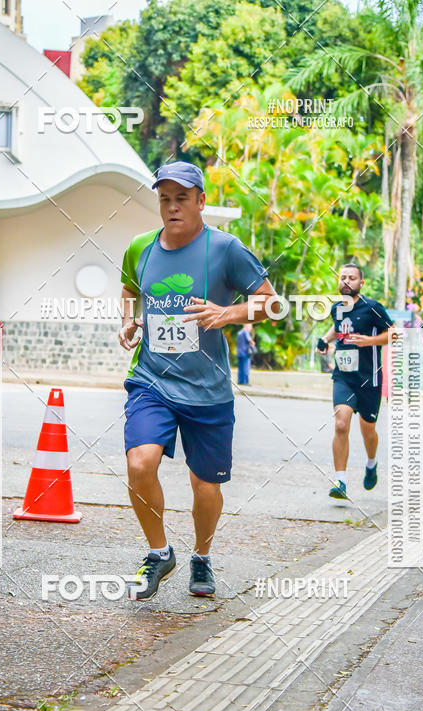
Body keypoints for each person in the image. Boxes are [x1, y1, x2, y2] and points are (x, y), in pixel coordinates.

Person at [118, 161, 277, 600]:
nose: (172, 207)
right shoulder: (139, 247)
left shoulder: (226, 249)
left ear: (201, 201)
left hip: (208, 390)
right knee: (140, 463)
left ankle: (201, 556)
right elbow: (129, 289)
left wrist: (228, 313)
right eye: (165, 199)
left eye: (182, 198)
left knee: (206, 486)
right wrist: (128, 321)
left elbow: (271, 303)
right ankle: (159, 553)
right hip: (151, 380)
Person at [316, 263, 394, 500]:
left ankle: (371, 462)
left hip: (369, 379)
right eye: (343, 277)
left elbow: (394, 333)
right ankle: (340, 481)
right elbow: (337, 328)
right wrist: (325, 339)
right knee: (341, 424)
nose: (346, 281)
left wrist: (368, 341)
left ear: (361, 283)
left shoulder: (372, 308)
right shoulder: (337, 308)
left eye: (351, 277)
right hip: (344, 377)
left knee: (368, 430)